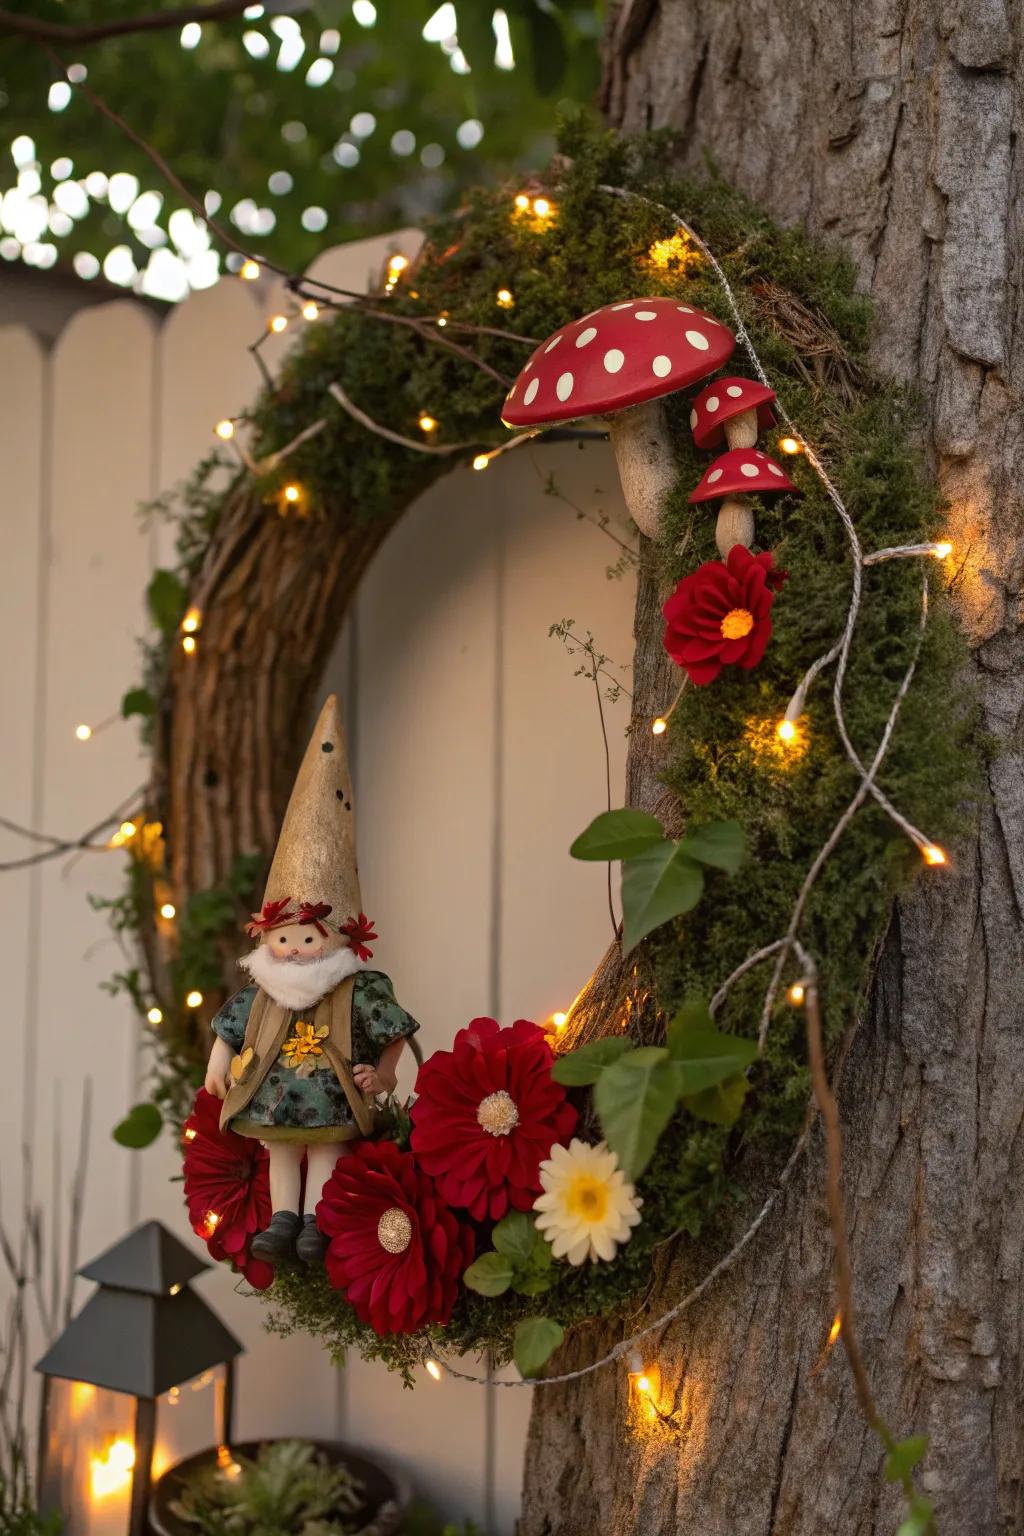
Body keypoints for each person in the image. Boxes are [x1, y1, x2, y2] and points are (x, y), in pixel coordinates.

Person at [203, 695, 418, 1265]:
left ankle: (314, 1224)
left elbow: (393, 1028)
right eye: (285, 940)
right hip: (272, 1096)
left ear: (339, 938)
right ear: (264, 937)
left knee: (325, 1154)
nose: (295, 951)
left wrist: (388, 1072)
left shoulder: (357, 988)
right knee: (279, 1151)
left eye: (309, 939)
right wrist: (218, 1063)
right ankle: (281, 1220)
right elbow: (231, 1026)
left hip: (332, 1095)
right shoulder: (261, 988)